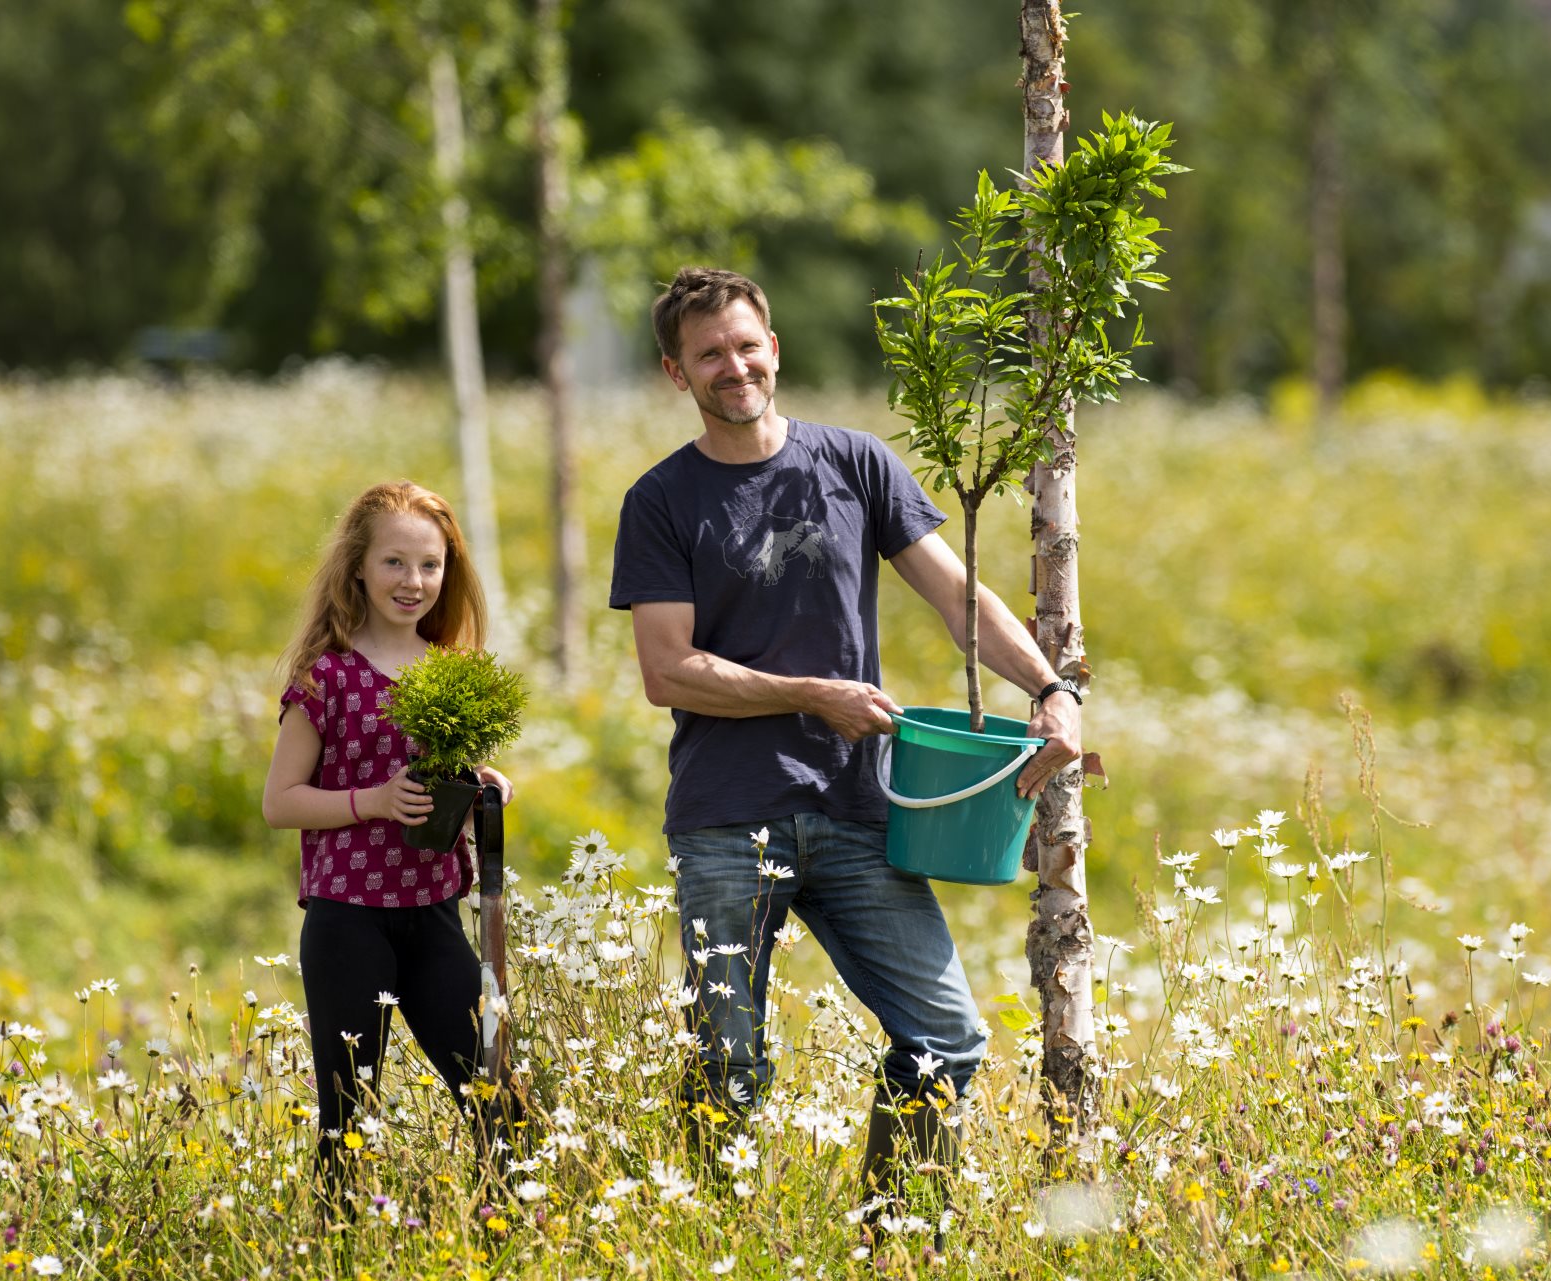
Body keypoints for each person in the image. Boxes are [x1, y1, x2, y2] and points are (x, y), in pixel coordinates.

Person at [608, 267, 1082, 1204]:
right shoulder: (661, 501)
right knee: (727, 1069)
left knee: (946, 1036)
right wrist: (810, 694)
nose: (733, 366)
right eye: (709, 354)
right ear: (677, 373)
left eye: (747, 345)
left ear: (773, 350)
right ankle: (717, 1245)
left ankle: (892, 1236)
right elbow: (667, 669)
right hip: (727, 819)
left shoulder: (856, 464)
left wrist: (1052, 688)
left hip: (857, 808)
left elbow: (958, 596)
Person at [262, 480, 516, 1206]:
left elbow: (449, 791)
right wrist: (370, 801)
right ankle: (338, 1246)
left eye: (430, 565)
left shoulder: (454, 673)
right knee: (349, 1114)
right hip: (348, 920)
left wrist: (481, 790)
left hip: (433, 911)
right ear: (359, 570)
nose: (414, 582)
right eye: (395, 563)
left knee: (499, 1096)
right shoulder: (327, 679)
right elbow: (279, 802)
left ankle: (512, 1237)